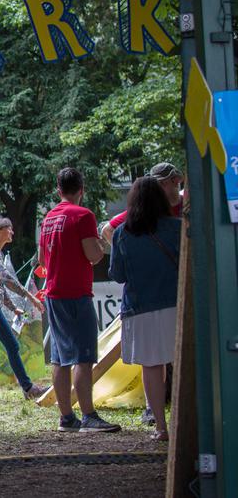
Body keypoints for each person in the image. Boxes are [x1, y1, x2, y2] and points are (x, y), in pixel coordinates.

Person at [39, 168, 120, 433]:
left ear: (58, 190)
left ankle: (66, 418)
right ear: (81, 189)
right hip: (76, 293)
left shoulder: (48, 218)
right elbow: (93, 255)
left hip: (53, 293)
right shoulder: (83, 215)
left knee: (59, 358)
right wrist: (100, 245)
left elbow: (41, 260)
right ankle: (89, 416)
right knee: (83, 357)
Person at [108, 176, 180, 441]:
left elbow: (118, 275)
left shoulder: (122, 233)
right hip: (176, 305)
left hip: (140, 309)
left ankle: (161, 427)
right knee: (182, 363)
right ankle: (189, 424)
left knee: (151, 366)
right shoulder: (178, 227)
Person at [0, 217, 46, 400]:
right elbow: (6, 279)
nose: (12, 232)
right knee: (3, 347)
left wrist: (13, 308)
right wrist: (30, 297)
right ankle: (28, 388)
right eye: (9, 228)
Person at [100, 162, 183, 242]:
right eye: (154, 185)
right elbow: (107, 230)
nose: (156, 189)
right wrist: (126, 250)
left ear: (175, 181)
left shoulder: (188, 205)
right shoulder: (147, 209)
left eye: (161, 183)